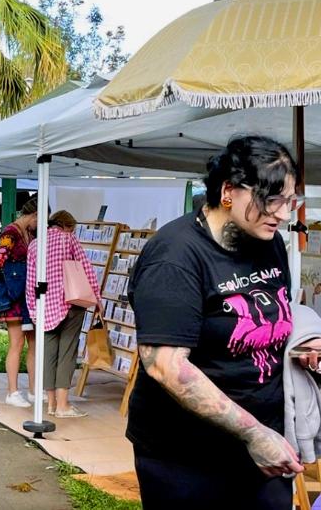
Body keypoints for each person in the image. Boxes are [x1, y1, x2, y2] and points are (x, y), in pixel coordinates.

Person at [127, 136, 314, 508]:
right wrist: (254, 435)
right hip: (187, 457)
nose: (282, 214)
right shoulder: (175, 256)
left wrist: (303, 342)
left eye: (289, 201)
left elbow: (274, 311)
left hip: (265, 449)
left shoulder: (270, 241)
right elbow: (166, 366)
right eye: (269, 199)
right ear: (228, 191)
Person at [25, 210, 100, 417]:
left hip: (44, 307)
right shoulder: (69, 240)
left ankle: (50, 404)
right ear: (67, 226)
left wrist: (33, 308)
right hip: (70, 303)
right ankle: (63, 405)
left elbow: (30, 281)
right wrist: (97, 299)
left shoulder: (34, 245)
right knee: (67, 354)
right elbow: (86, 269)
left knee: (48, 355)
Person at [0, 197, 38, 408]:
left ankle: (33, 390)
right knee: (17, 343)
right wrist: (12, 281)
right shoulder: (11, 233)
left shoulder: (28, 233)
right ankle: (12, 391)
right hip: (13, 297)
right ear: (34, 215)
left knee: (34, 344)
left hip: (26, 296)